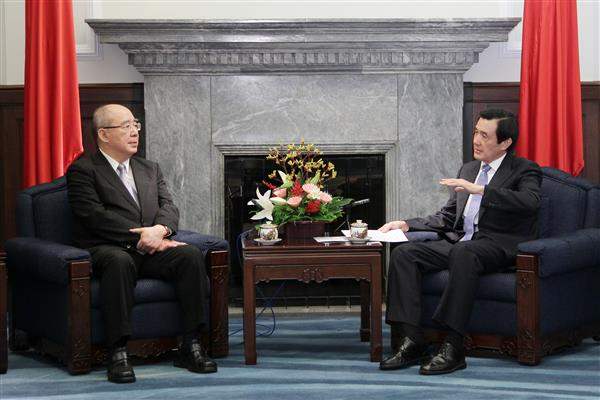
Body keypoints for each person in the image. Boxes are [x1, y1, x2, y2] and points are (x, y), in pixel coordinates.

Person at [378, 109, 542, 375]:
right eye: (476, 132)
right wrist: (406, 224)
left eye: (484, 135)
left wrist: (482, 190)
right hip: (461, 243)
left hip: (497, 245)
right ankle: (412, 339)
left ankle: (453, 346)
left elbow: (530, 201)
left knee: (464, 252)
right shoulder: (469, 169)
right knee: (404, 253)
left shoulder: (524, 169)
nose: (476, 140)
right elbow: (448, 216)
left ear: (505, 143)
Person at [67, 104, 217, 383]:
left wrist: (160, 230)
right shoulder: (83, 170)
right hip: (108, 247)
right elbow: (94, 216)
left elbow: (168, 206)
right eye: (126, 126)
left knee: (190, 255)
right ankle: (117, 351)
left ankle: (191, 343)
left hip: (151, 248)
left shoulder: (149, 168)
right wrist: (142, 237)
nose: (135, 131)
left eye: (135, 124)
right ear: (103, 134)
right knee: (119, 261)